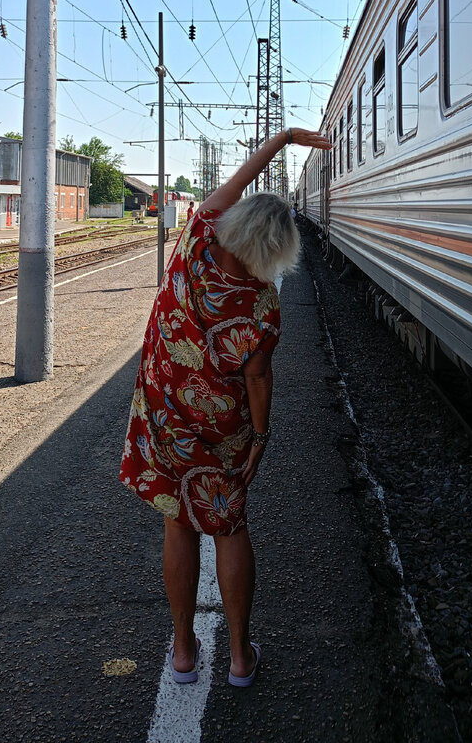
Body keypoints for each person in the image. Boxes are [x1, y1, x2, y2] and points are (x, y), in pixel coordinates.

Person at [120, 126, 331, 687]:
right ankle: (239, 657)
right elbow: (258, 380)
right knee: (229, 527)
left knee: (178, 523)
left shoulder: (198, 237)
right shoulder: (263, 306)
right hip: (225, 432)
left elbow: (235, 182)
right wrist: (260, 440)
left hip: (166, 414)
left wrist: (282, 140)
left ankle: (184, 651)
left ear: (236, 223)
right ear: (276, 252)